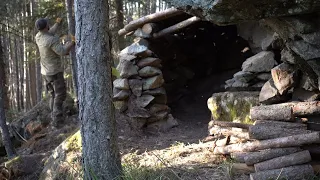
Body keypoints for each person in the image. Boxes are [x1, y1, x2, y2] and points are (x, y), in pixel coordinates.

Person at [35, 18, 75, 128]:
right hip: (54, 72)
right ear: (46, 26)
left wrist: (57, 24)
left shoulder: (38, 36)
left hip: (45, 71)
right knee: (60, 95)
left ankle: (53, 116)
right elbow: (62, 51)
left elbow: (49, 32)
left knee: (53, 94)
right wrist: (72, 42)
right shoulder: (50, 40)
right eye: (49, 24)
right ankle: (57, 121)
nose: (50, 25)